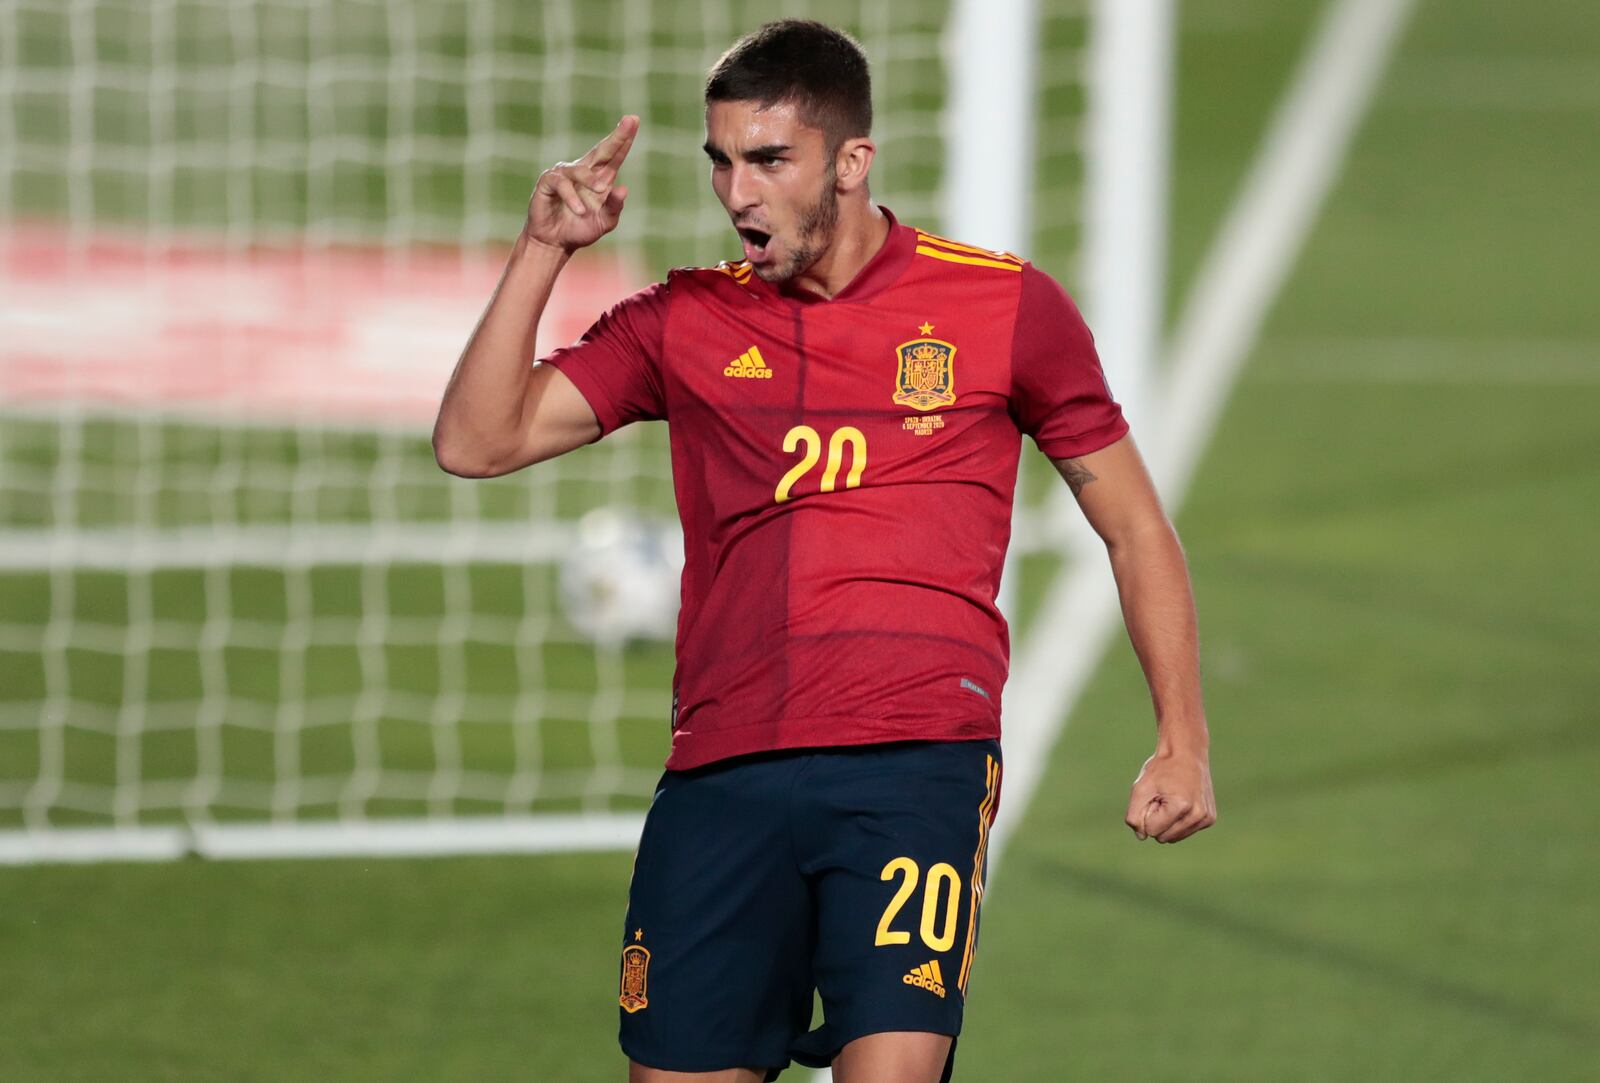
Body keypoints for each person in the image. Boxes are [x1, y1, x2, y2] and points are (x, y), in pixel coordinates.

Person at [433, 19, 1215, 1083]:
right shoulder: (685, 319)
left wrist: (1181, 738)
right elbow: (476, 443)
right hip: (722, 770)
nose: (738, 193)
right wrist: (543, 251)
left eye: (768, 160)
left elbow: (1133, 525)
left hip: (913, 760)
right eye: (721, 162)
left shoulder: (1002, 306)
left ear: (852, 162)